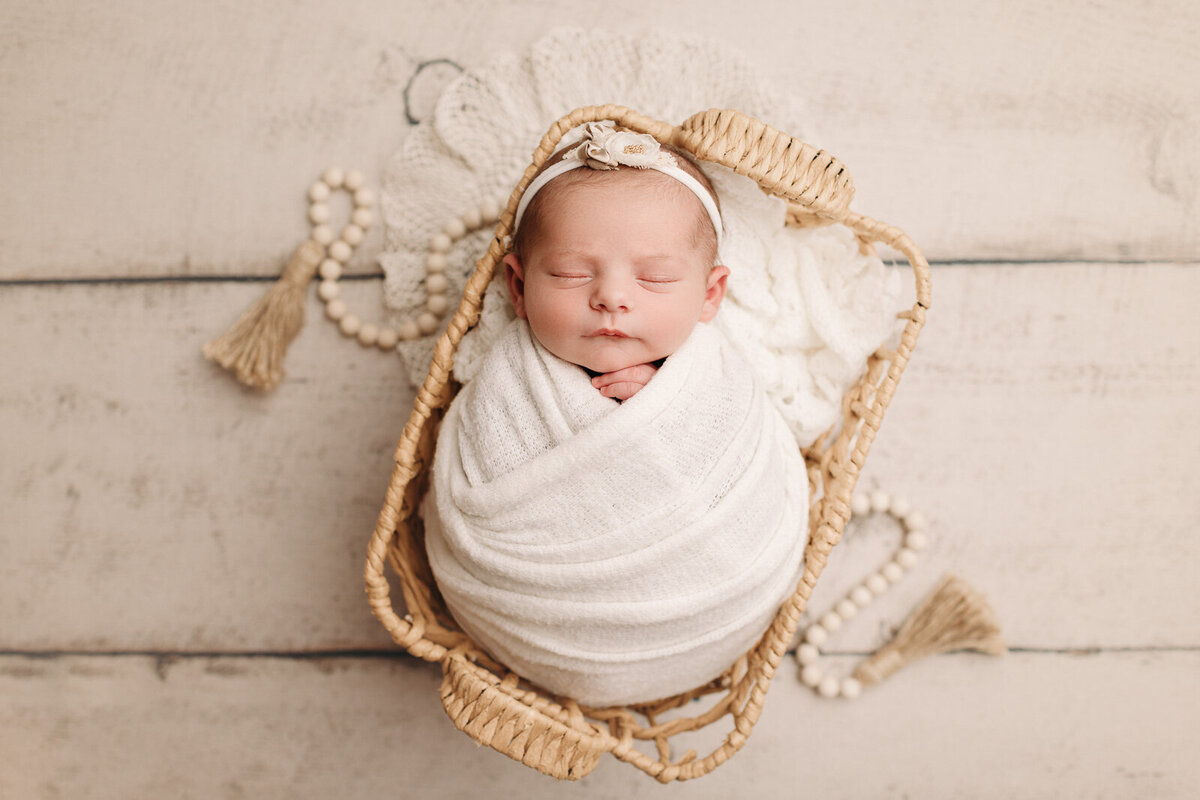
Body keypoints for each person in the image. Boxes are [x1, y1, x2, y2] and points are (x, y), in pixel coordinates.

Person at [501, 121, 730, 400]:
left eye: (655, 277)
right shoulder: (504, 380)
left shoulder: (719, 379)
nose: (611, 297)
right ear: (518, 287)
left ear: (709, 294)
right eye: (570, 274)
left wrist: (670, 405)